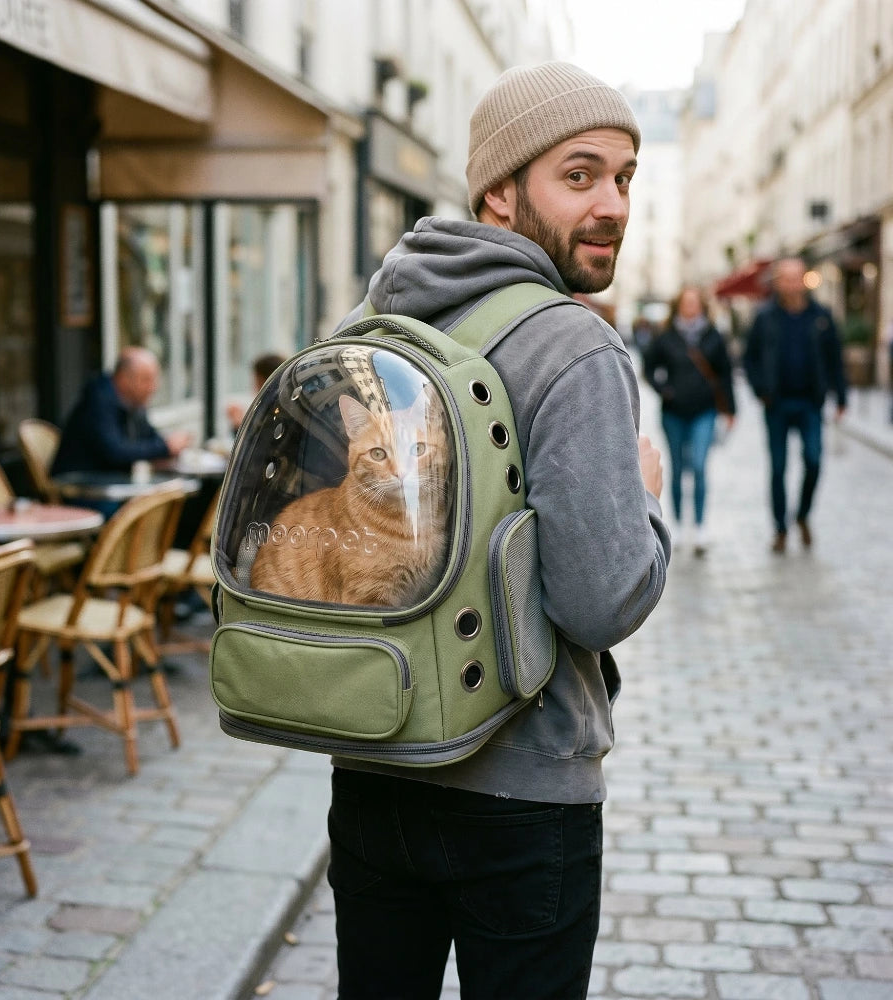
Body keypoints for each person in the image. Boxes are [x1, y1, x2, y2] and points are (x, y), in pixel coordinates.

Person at [326, 62, 670, 1000]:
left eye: (625, 177)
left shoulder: (375, 319)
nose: (612, 203)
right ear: (501, 194)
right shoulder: (574, 344)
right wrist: (645, 498)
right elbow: (601, 603)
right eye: (580, 174)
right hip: (524, 798)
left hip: (373, 763)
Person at [743, 257, 846, 553]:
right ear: (778, 282)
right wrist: (760, 389)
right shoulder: (765, 316)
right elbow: (749, 358)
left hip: (810, 402)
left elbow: (834, 359)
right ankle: (779, 529)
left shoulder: (821, 316)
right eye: (785, 278)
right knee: (778, 468)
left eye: (796, 277)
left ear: (804, 279)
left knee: (814, 461)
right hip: (776, 403)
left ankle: (801, 515)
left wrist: (841, 397)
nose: (791, 284)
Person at [643, 287, 736, 556]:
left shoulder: (713, 336)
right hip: (673, 412)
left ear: (702, 306)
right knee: (676, 466)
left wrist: (730, 409)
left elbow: (725, 373)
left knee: (698, 465)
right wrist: (665, 390)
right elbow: (648, 367)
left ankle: (700, 525)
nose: (690, 308)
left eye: (695, 303)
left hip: (704, 412)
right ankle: (680, 526)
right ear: (678, 306)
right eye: (686, 303)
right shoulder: (666, 336)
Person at [52, 346, 192, 476]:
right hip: (83, 487)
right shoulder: (99, 401)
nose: (153, 387)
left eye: (154, 380)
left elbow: (149, 437)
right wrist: (165, 447)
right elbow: (115, 452)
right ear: (124, 379)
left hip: (111, 484)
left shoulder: (132, 403)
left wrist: (169, 446)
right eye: (146, 380)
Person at [226, 352, 287, 434]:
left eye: (255, 378)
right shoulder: (285, 401)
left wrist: (238, 425)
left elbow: (262, 440)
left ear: (261, 379)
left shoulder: (274, 406)